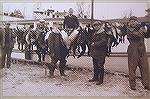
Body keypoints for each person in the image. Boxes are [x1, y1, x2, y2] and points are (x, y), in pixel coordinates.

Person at [125, 16, 150, 90]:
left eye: (135, 21)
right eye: (131, 21)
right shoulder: (129, 30)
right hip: (133, 50)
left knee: (145, 67)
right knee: (132, 68)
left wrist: (148, 29)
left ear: (137, 21)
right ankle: (132, 85)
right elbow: (137, 35)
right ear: (129, 23)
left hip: (142, 50)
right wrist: (142, 28)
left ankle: (147, 84)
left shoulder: (139, 28)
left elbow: (147, 36)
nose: (133, 22)